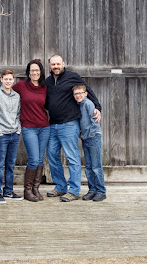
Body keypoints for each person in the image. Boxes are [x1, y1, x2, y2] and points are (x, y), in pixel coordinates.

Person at [46, 54, 101, 202]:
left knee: (72, 157)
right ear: (50, 66)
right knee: (52, 155)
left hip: (69, 124)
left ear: (63, 63)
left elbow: (87, 90)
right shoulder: (48, 81)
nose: (56, 66)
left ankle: (74, 190)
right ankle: (60, 186)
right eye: (53, 64)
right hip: (53, 124)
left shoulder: (72, 76)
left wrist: (97, 107)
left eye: (58, 64)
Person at [13, 59, 50, 202]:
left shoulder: (45, 87)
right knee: (34, 159)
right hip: (29, 127)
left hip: (44, 127)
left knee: (40, 159)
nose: (34, 72)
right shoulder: (22, 86)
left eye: (37, 70)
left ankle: (35, 188)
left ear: (40, 72)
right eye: (32, 70)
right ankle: (27, 190)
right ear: (29, 72)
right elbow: (7, 91)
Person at [0, 68, 23, 204]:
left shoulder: (16, 96)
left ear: (13, 80)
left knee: (10, 164)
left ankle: (8, 191)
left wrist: (18, 129)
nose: (8, 81)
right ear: (1, 79)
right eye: (6, 79)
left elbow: (19, 114)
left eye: (10, 79)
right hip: (1, 135)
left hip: (14, 134)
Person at [73, 83, 107, 202]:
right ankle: (92, 189)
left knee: (96, 166)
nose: (78, 96)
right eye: (76, 94)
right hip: (86, 138)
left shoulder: (88, 103)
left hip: (93, 137)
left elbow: (94, 122)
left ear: (85, 93)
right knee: (88, 166)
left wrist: (89, 135)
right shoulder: (78, 105)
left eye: (80, 93)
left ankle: (101, 191)